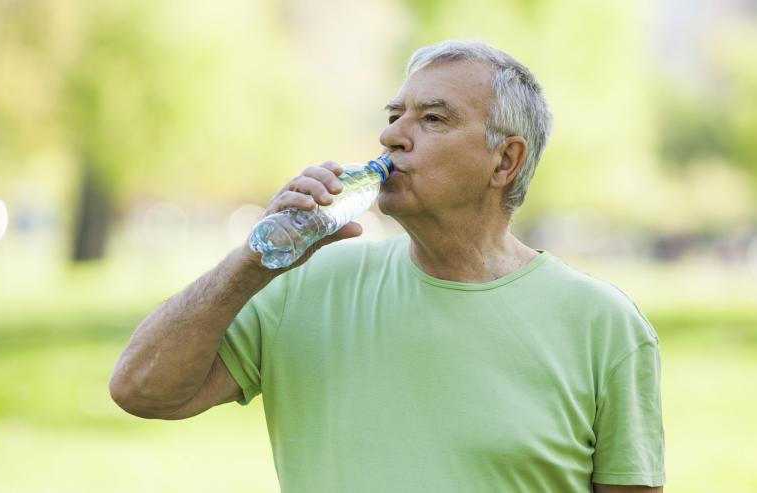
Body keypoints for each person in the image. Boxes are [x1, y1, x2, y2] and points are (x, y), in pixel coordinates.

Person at [110, 40, 665, 492]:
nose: (391, 135)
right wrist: (252, 262)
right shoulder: (305, 286)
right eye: (395, 114)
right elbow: (141, 390)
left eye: (433, 119)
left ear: (505, 160)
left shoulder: (603, 324)